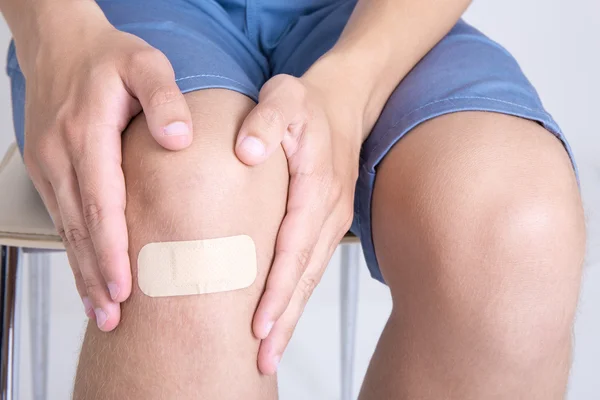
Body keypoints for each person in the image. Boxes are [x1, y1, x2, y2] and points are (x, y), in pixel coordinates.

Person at [1, 0, 585, 398]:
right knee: (192, 193)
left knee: (514, 225)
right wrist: (53, 28)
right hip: (113, 14)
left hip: (376, 15)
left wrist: (353, 85)